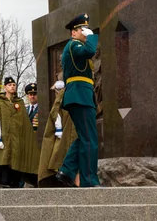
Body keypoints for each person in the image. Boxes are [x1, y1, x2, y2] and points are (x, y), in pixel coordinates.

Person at [55, 14, 100, 188]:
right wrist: (92, 36)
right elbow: (89, 51)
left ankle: (66, 170)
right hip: (79, 95)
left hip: (81, 95)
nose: (86, 32)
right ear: (73, 33)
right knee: (90, 139)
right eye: (83, 29)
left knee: (85, 137)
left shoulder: (75, 46)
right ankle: (89, 180)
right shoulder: (74, 45)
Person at [0, 77, 40, 188]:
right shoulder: (0, 104)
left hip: (17, 141)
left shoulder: (19, 103)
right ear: (5, 87)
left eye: (14, 85)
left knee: (16, 167)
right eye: (10, 85)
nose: (12, 87)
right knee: (4, 166)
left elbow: (24, 125)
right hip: (4, 141)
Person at [37, 78, 79, 187]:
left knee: (58, 156)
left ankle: (61, 178)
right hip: (70, 134)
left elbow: (56, 115)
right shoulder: (70, 98)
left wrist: (59, 130)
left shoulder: (59, 101)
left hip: (61, 137)